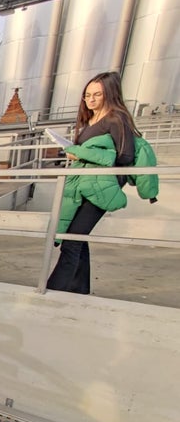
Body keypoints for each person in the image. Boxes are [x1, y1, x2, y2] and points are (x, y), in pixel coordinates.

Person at [46, 71, 157, 294]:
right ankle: (79, 289)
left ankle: (53, 289)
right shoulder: (90, 121)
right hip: (86, 184)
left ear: (110, 94)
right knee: (77, 235)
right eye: (87, 95)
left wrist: (81, 154)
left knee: (72, 239)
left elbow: (124, 156)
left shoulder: (116, 119)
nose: (91, 99)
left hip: (103, 187)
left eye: (97, 94)